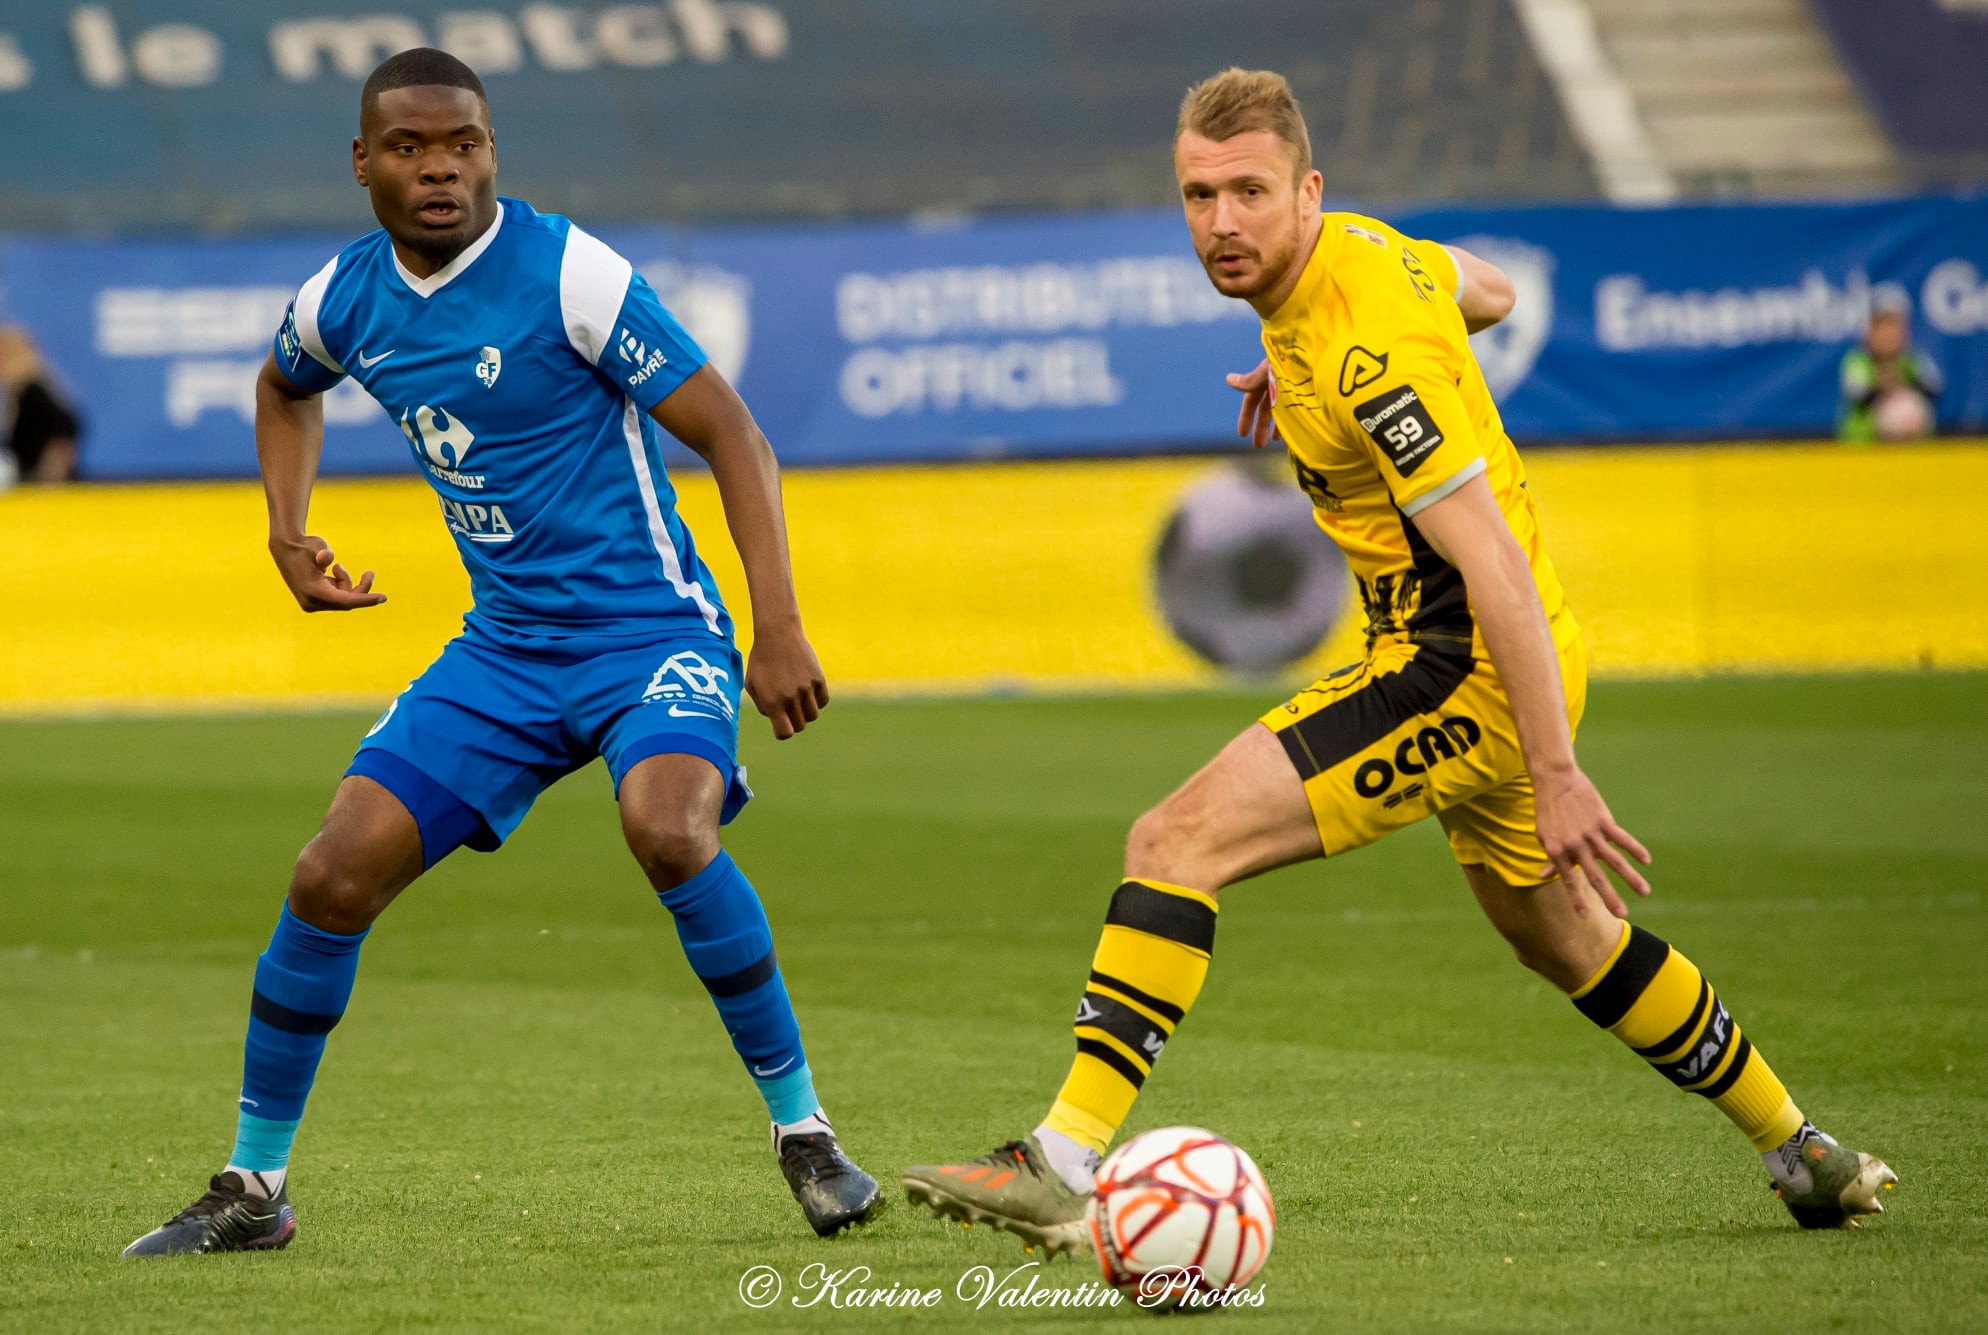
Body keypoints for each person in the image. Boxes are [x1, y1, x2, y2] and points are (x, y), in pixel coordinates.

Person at [903, 67, 1896, 1252]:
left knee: (1172, 843)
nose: (1220, 221)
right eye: (1197, 195)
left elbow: (1494, 572)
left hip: (1460, 668)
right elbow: (1495, 288)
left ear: (1306, 191)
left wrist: (1557, 768)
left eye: (1250, 193)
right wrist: (1301, 362)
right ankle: (1801, 1153)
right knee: (1563, 938)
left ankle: (1060, 1161)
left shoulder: (1371, 360)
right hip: (1502, 660)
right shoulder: (1371, 256)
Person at [123, 48, 881, 1256]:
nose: (441, 170)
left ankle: (807, 1137)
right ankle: (250, 1190)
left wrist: (775, 624)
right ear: (363, 163)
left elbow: (731, 432)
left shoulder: (568, 273)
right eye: (413, 149)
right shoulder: (343, 300)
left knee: (669, 828)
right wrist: (286, 530)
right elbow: (282, 389)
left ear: (492, 153)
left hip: (649, 636)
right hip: (505, 655)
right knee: (329, 875)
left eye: (463, 145)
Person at [1839, 299, 1941, 443]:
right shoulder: (1858, 361)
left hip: (1912, 443)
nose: (1888, 338)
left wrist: (1905, 383)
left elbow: (1933, 391)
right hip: (1864, 445)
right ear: (1870, 335)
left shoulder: (1912, 360)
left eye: (1893, 332)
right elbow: (1858, 397)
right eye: (1881, 332)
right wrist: (1881, 386)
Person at [0, 325, 82, 485]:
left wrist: (49, 478)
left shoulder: (35, 395)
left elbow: (64, 430)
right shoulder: (17, 396)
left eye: (4, 357)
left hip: (41, 488)